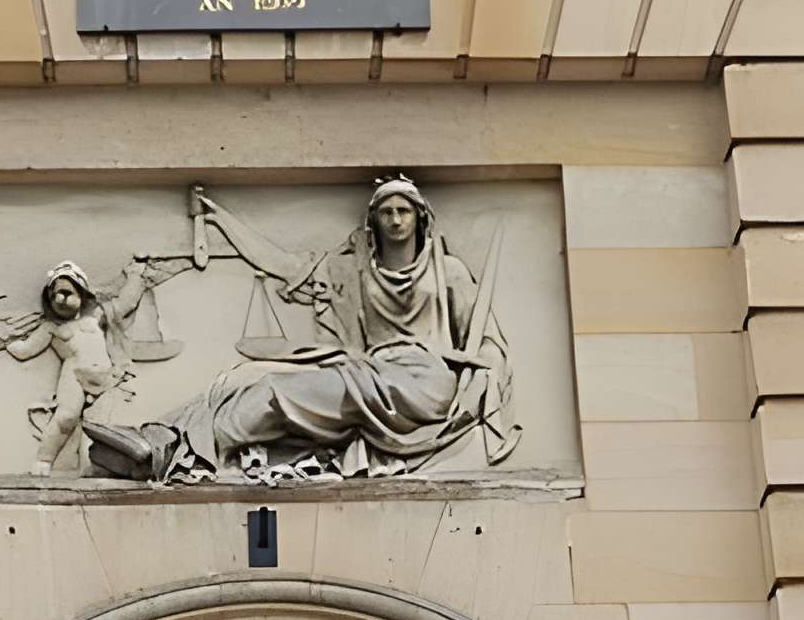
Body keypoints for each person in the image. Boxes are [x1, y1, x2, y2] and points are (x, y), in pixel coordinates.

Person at [82, 176, 513, 481]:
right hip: (367, 371)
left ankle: (175, 452)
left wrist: (481, 384)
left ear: (422, 219)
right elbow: (281, 265)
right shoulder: (352, 271)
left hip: (421, 384)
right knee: (243, 378)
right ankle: (156, 438)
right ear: (373, 222)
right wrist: (222, 221)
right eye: (387, 212)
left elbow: (488, 344)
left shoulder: (449, 273)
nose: (396, 220)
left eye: (404, 211)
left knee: (275, 392)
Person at [0, 256, 192, 473]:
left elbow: (125, 304)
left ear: (81, 294)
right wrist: (6, 340)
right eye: (56, 294)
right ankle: (43, 460)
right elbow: (26, 351)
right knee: (66, 418)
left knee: (109, 425)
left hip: (107, 377)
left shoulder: (97, 315)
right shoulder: (51, 326)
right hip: (74, 377)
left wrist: (135, 275)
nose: (61, 298)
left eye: (68, 292)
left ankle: (105, 466)